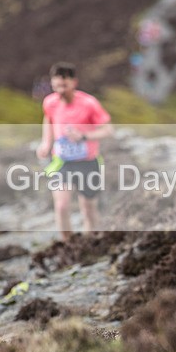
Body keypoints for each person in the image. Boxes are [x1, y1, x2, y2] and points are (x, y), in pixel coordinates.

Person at [36, 62, 113, 241]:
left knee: (88, 208)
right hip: (62, 162)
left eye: (64, 84)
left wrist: (83, 136)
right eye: (56, 85)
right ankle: (69, 245)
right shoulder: (50, 102)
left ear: (74, 82)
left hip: (88, 162)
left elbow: (108, 130)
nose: (60, 89)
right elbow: (48, 120)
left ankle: (91, 243)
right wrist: (46, 143)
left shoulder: (89, 103)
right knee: (61, 206)